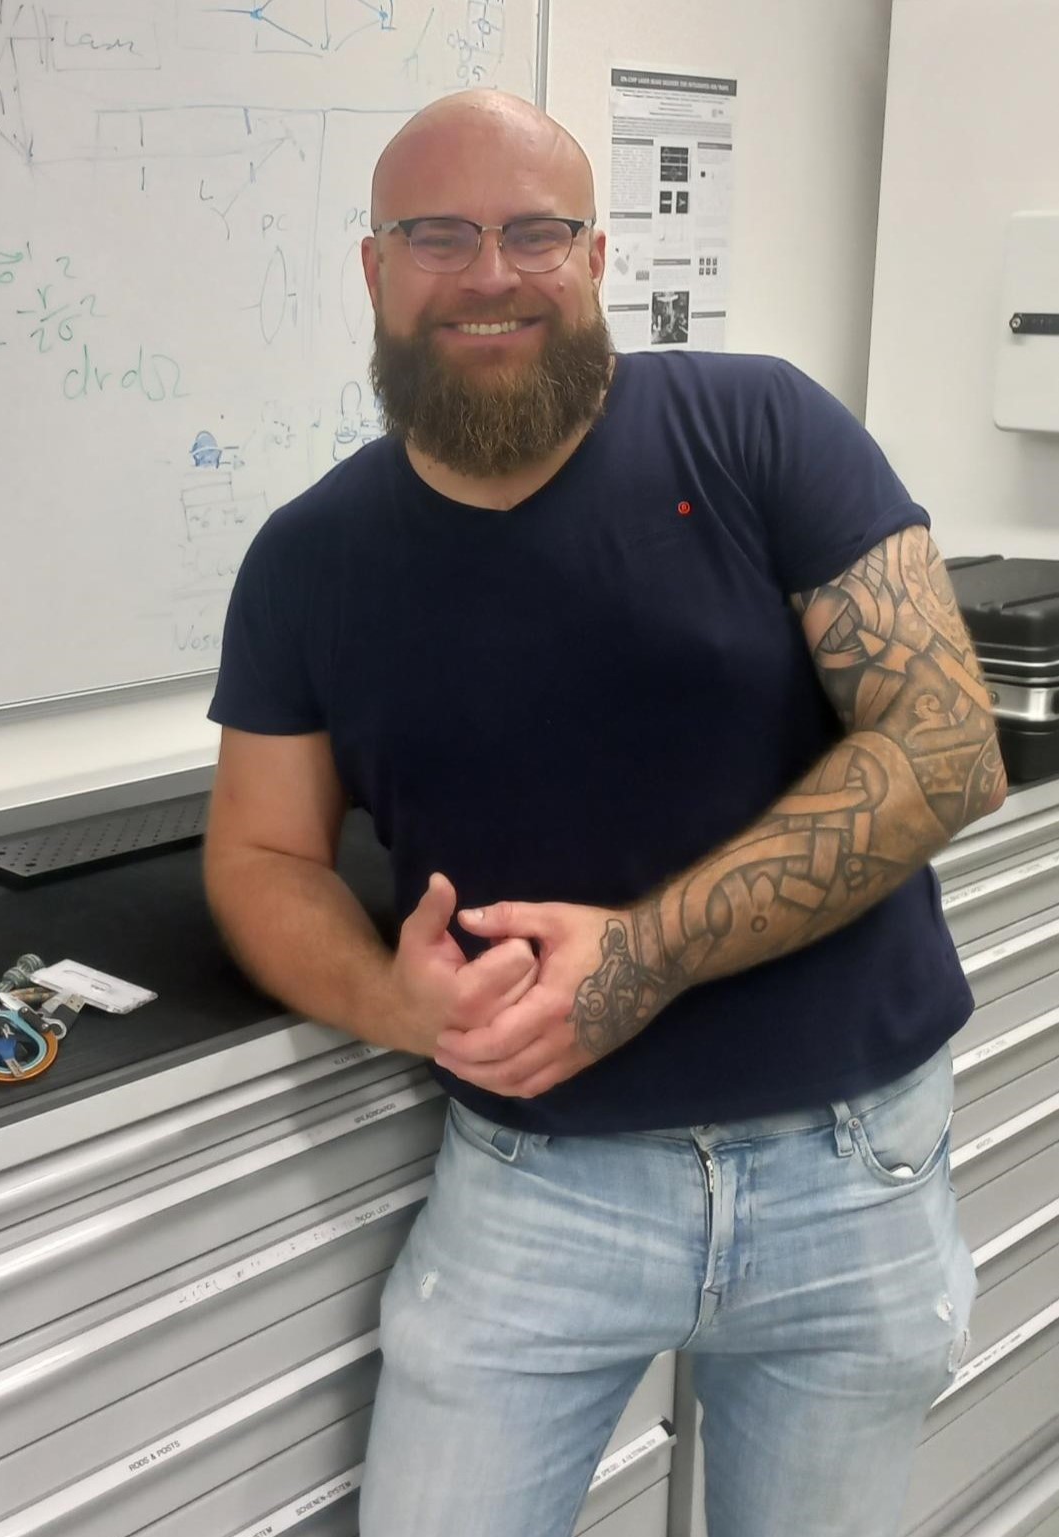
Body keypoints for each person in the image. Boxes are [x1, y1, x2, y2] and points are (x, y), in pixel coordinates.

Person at [203, 89, 1007, 1537]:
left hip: (848, 1167)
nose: (489, 271)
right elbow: (262, 852)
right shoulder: (308, 556)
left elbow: (943, 741)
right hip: (535, 1184)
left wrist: (641, 955)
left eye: (534, 231)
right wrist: (398, 1005)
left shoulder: (756, 425)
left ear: (592, 258)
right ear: (373, 268)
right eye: (436, 234)